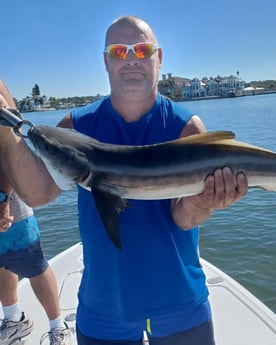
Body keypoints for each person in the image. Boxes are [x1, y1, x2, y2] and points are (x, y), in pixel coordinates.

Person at [0, 15, 248, 345]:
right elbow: (38, 194)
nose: (130, 59)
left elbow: (186, 219)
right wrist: (6, 126)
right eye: (119, 51)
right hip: (103, 306)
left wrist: (205, 201)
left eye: (141, 50)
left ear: (158, 58)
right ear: (105, 60)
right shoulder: (74, 126)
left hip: (180, 303)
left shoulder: (187, 128)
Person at [0, 92, 71, 345]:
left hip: (7, 200)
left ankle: (58, 327)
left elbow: (8, 146)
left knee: (33, 263)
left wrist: (2, 201)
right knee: (1, 262)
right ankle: (13, 318)